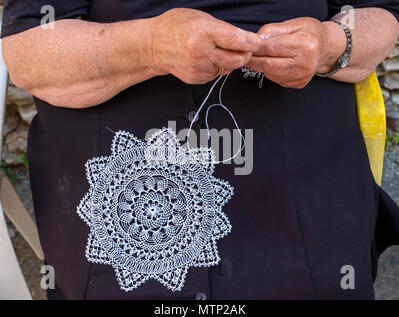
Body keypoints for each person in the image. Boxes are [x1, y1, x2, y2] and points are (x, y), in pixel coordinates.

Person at [1, 0, 399, 299]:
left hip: (303, 189)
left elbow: (377, 13)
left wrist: (331, 43)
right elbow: (29, 50)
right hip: (124, 184)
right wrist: (150, 46)